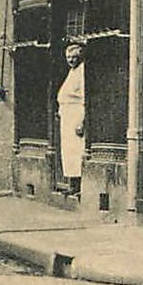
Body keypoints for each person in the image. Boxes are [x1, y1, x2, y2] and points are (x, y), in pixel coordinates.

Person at [57, 40, 87, 197]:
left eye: (74, 57)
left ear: (80, 57)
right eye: (68, 57)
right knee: (68, 150)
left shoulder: (82, 72)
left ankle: (78, 185)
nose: (70, 60)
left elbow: (84, 99)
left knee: (76, 150)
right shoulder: (73, 71)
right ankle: (71, 183)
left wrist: (82, 121)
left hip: (76, 115)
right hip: (67, 115)